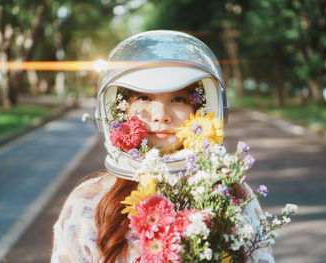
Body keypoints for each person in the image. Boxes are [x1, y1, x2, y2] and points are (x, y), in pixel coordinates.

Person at [51, 30, 274, 263]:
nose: (161, 116)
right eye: (143, 98)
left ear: (203, 111)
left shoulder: (233, 197)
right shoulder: (88, 202)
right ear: (117, 109)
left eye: (179, 99)